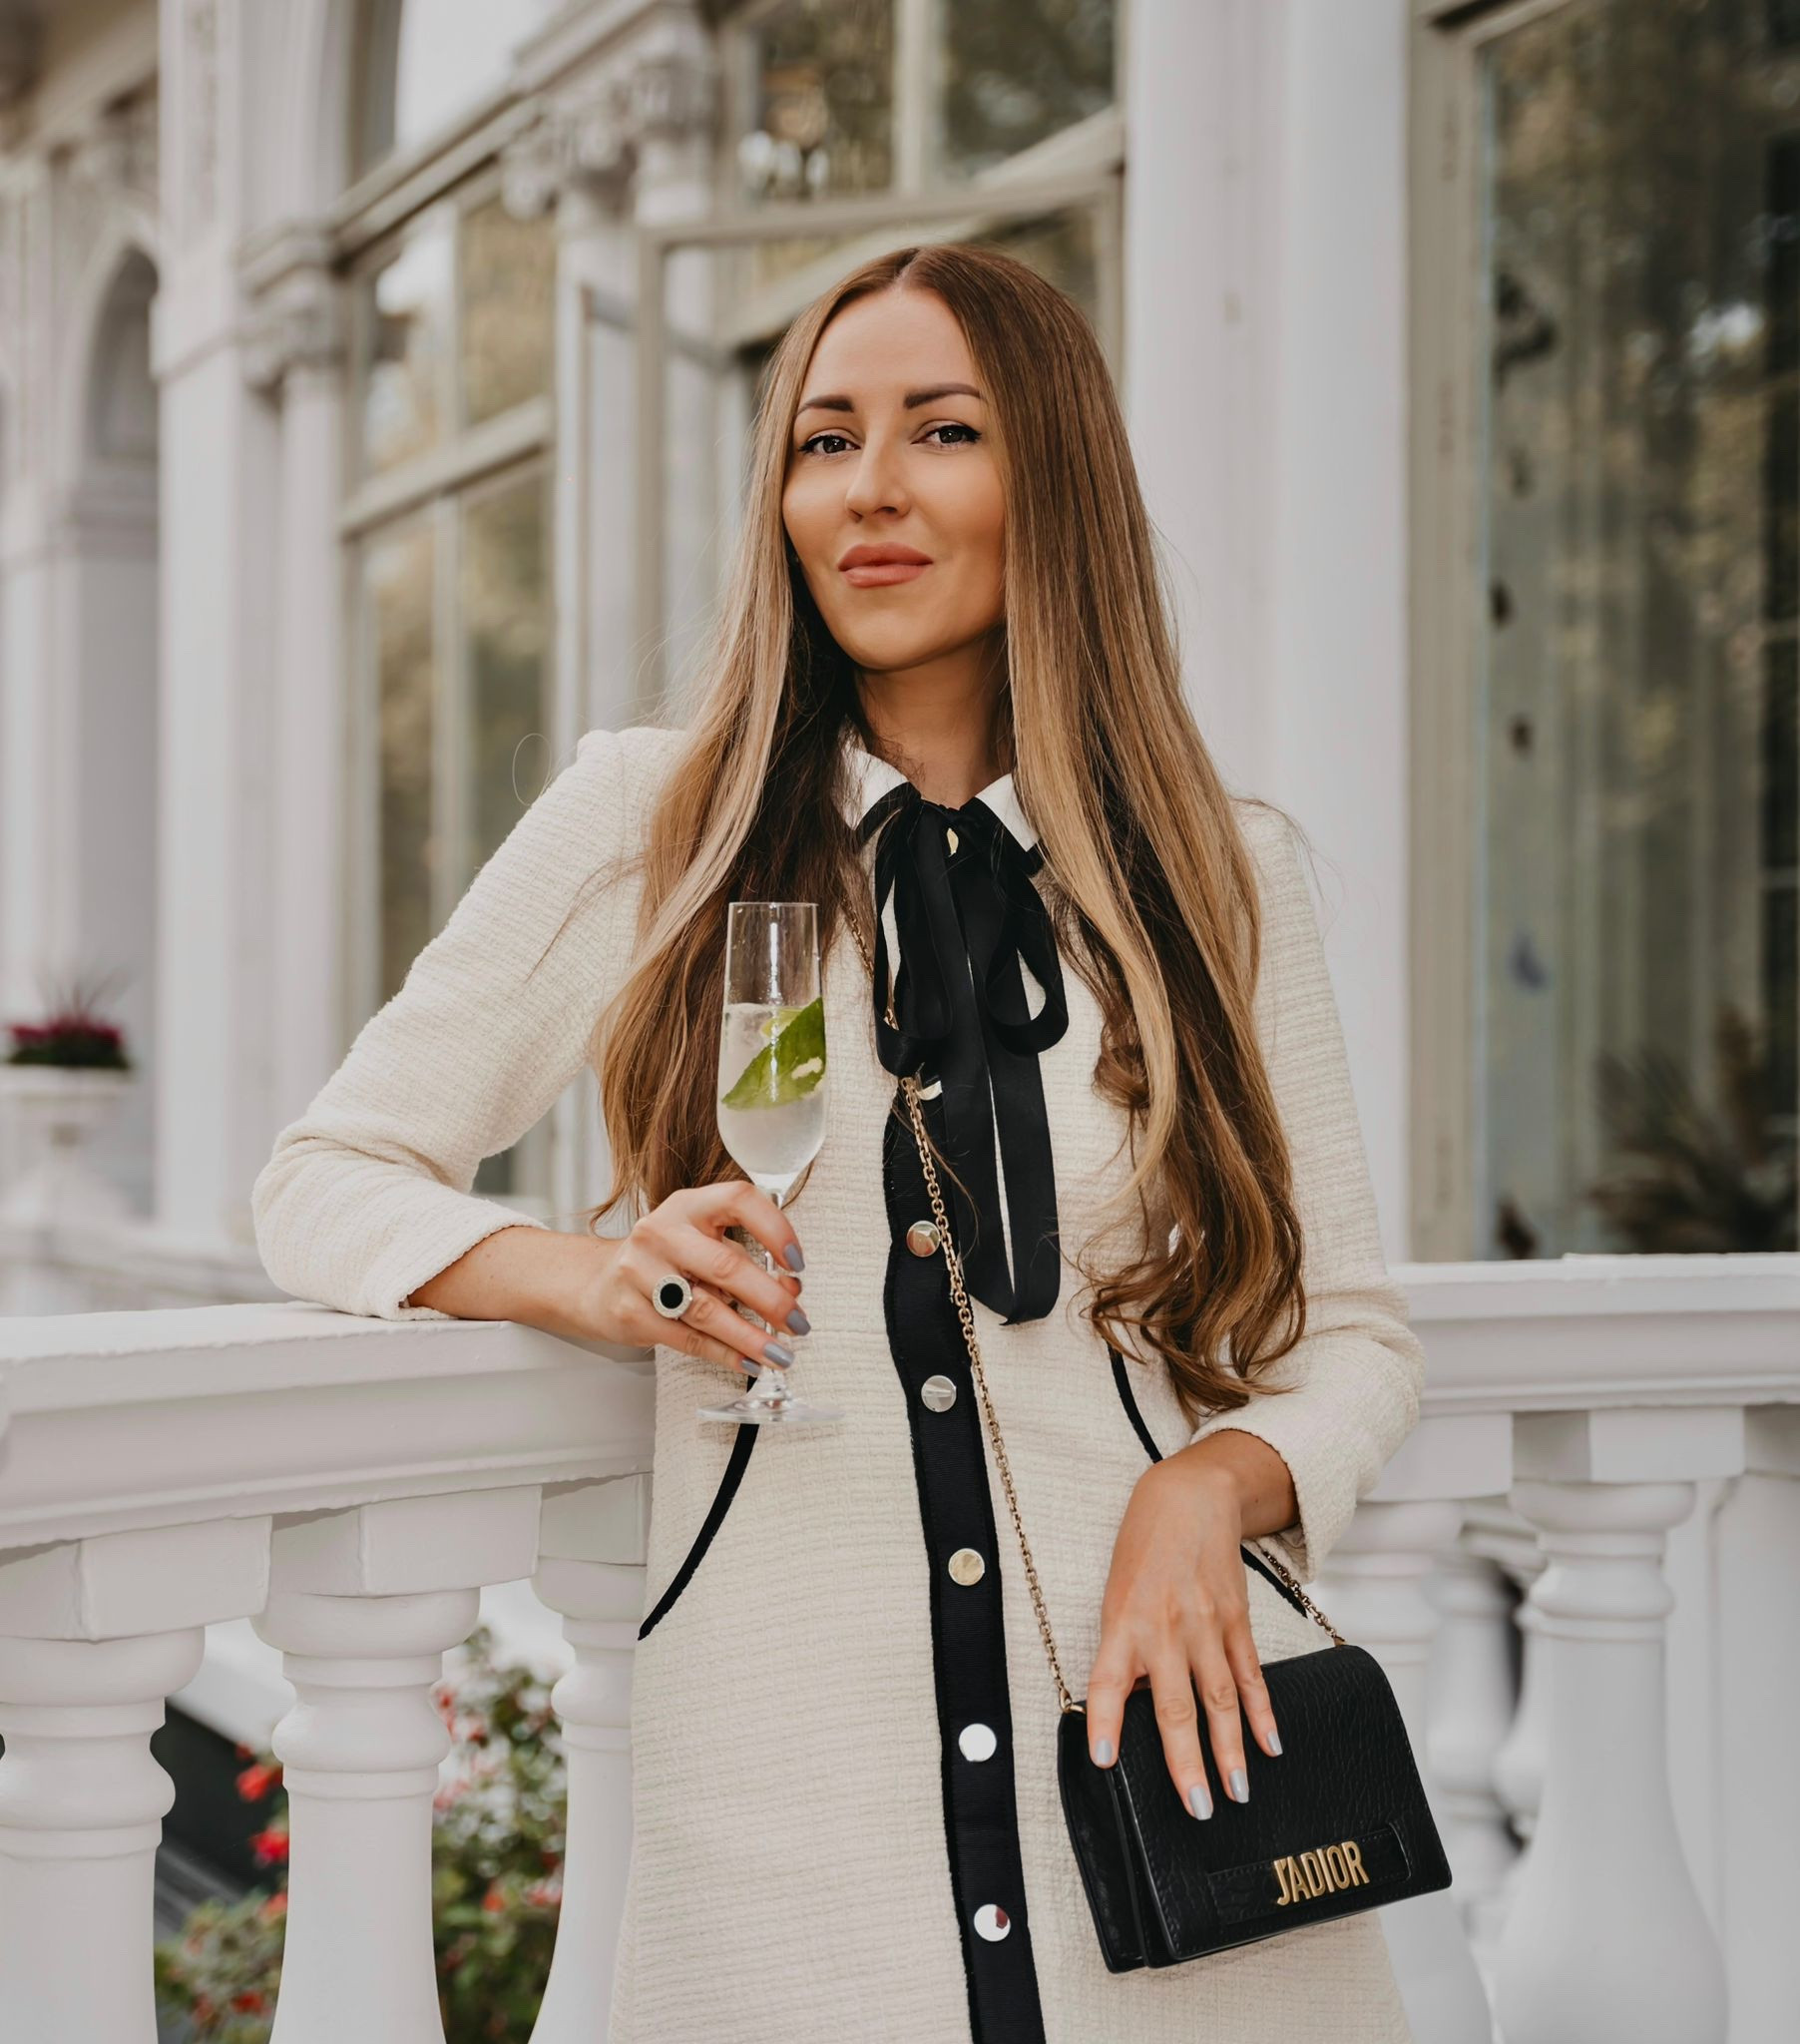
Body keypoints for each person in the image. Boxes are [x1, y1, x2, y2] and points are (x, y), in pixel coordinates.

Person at [251, 242, 1426, 2043]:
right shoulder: (664, 821)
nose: (867, 489)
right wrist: (592, 1274)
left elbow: (1350, 1339)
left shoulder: (1216, 870)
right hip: (796, 1770)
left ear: (1056, 481)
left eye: (941, 431)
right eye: (821, 439)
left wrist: (1217, 1487)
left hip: (1165, 1731)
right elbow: (326, 1181)